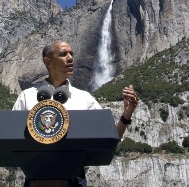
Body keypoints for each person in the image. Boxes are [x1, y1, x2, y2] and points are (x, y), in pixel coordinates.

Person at [12, 40, 140, 139]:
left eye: (72, 54)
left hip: (75, 171)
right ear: (48, 61)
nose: (70, 58)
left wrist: (126, 115)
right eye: (63, 54)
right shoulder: (27, 96)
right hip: (35, 172)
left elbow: (112, 136)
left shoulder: (84, 98)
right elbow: (10, 134)